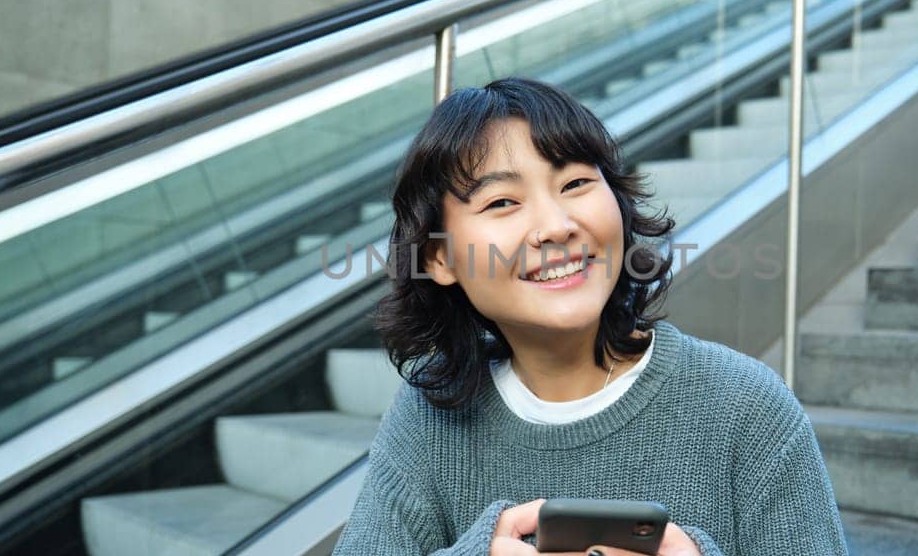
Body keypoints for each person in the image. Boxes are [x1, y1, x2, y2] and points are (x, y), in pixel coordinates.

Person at [334, 78, 847, 555]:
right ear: (438, 258)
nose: (555, 226)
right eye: (503, 201)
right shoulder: (428, 416)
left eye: (576, 183)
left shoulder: (747, 407)